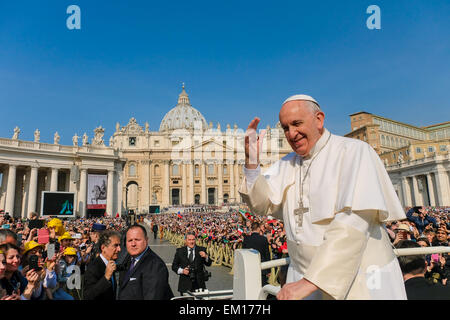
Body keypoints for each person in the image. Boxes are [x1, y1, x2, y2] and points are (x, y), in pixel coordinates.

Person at [239, 94, 407, 300]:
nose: (291, 134)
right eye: (285, 128)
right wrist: (252, 162)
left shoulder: (354, 151)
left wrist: (311, 281)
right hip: (301, 277)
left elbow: (353, 224)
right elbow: (259, 205)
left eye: (296, 123)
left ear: (319, 119)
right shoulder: (286, 163)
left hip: (360, 277)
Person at [118, 224, 173, 300]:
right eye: (130, 240)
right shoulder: (129, 259)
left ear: (146, 240)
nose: (133, 244)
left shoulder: (155, 265)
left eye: (137, 240)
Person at [83, 230, 121, 300]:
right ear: (103, 248)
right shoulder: (93, 268)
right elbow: (88, 296)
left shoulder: (111, 263)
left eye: (119, 245)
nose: (119, 249)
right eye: (115, 245)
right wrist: (106, 278)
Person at [172, 232, 212, 296]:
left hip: (199, 284)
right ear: (186, 240)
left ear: (195, 240)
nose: (191, 242)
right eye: (189, 240)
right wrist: (182, 271)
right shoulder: (180, 251)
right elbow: (174, 266)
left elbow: (209, 263)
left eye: (193, 239)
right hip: (185, 284)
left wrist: (206, 257)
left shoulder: (202, 249)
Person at [242, 221, 271, 285]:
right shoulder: (263, 239)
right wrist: (269, 270)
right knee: (262, 285)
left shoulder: (246, 239)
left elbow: (243, 252)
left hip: (249, 266)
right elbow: (267, 254)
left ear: (251, 229)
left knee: (250, 284)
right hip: (261, 265)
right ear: (258, 228)